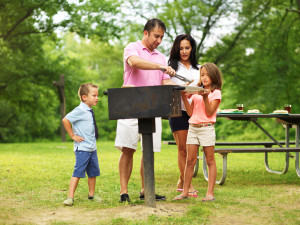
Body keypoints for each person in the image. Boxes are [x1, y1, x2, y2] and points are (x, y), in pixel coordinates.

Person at [115, 18, 176, 203]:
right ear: (146, 33)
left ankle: (146, 189)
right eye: (156, 36)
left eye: (162, 37)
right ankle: (124, 192)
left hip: (153, 107)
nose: (159, 40)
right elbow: (134, 63)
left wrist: (184, 87)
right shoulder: (132, 48)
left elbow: (165, 82)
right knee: (127, 149)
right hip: (130, 106)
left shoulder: (161, 57)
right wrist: (161, 67)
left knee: (148, 150)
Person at [173, 63, 222, 202]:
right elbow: (190, 113)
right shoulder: (196, 92)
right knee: (190, 161)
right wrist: (184, 97)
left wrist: (205, 97)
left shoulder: (216, 93)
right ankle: (185, 192)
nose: (204, 77)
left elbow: (210, 112)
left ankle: (210, 193)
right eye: (202, 75)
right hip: (193, 128)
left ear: (213, 75)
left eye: (207, 74)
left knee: (210, 160)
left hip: (207, 128)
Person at [168, 34, 200, 195]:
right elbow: (165, 86)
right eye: (181, 48)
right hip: (177, 111)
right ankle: (189, 185)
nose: (184, 51)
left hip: (195, 113)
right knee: (182, 149)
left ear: (192, 48)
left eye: (187, 48)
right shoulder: (171, 68)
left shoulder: (199, 69)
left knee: (192, 150)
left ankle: (181, 181)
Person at [62, 83, 102, 206]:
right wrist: (72, 136)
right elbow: (66, 120)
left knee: (93, 172)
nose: (97, 98)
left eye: (97, 95)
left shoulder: (89, 110)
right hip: (83, 149)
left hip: (92, 148)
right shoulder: (80, 110)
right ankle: (70, 197)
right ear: (84, 97)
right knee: (78, 172)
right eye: (94, 95)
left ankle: (91, 195)